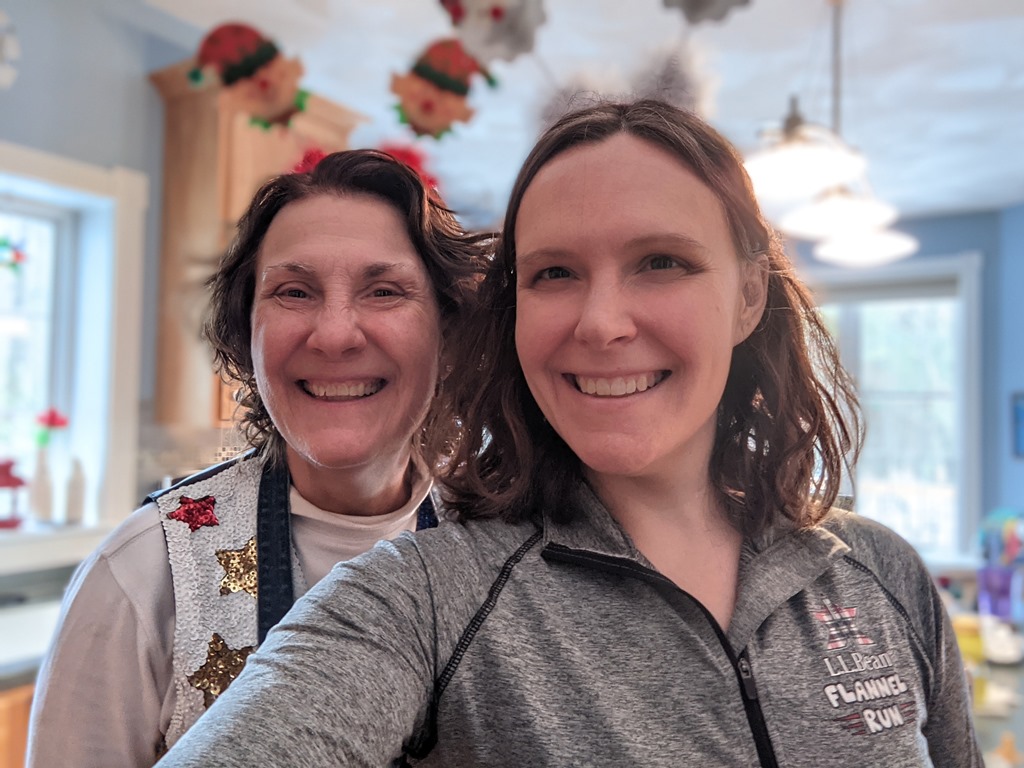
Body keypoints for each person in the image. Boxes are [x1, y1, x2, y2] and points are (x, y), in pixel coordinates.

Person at [158, 99, 981, 767]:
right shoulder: (426, 596)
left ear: (748, 296)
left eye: (661, 261)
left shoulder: (883, 575)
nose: (601, 323)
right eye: (554, 273)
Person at [26, 148, 488, 767]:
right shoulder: (142, 575)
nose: (334, 334)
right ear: (247, 334)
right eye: (294, 292)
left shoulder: (497, 551)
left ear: (448, 333)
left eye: (384, 291)